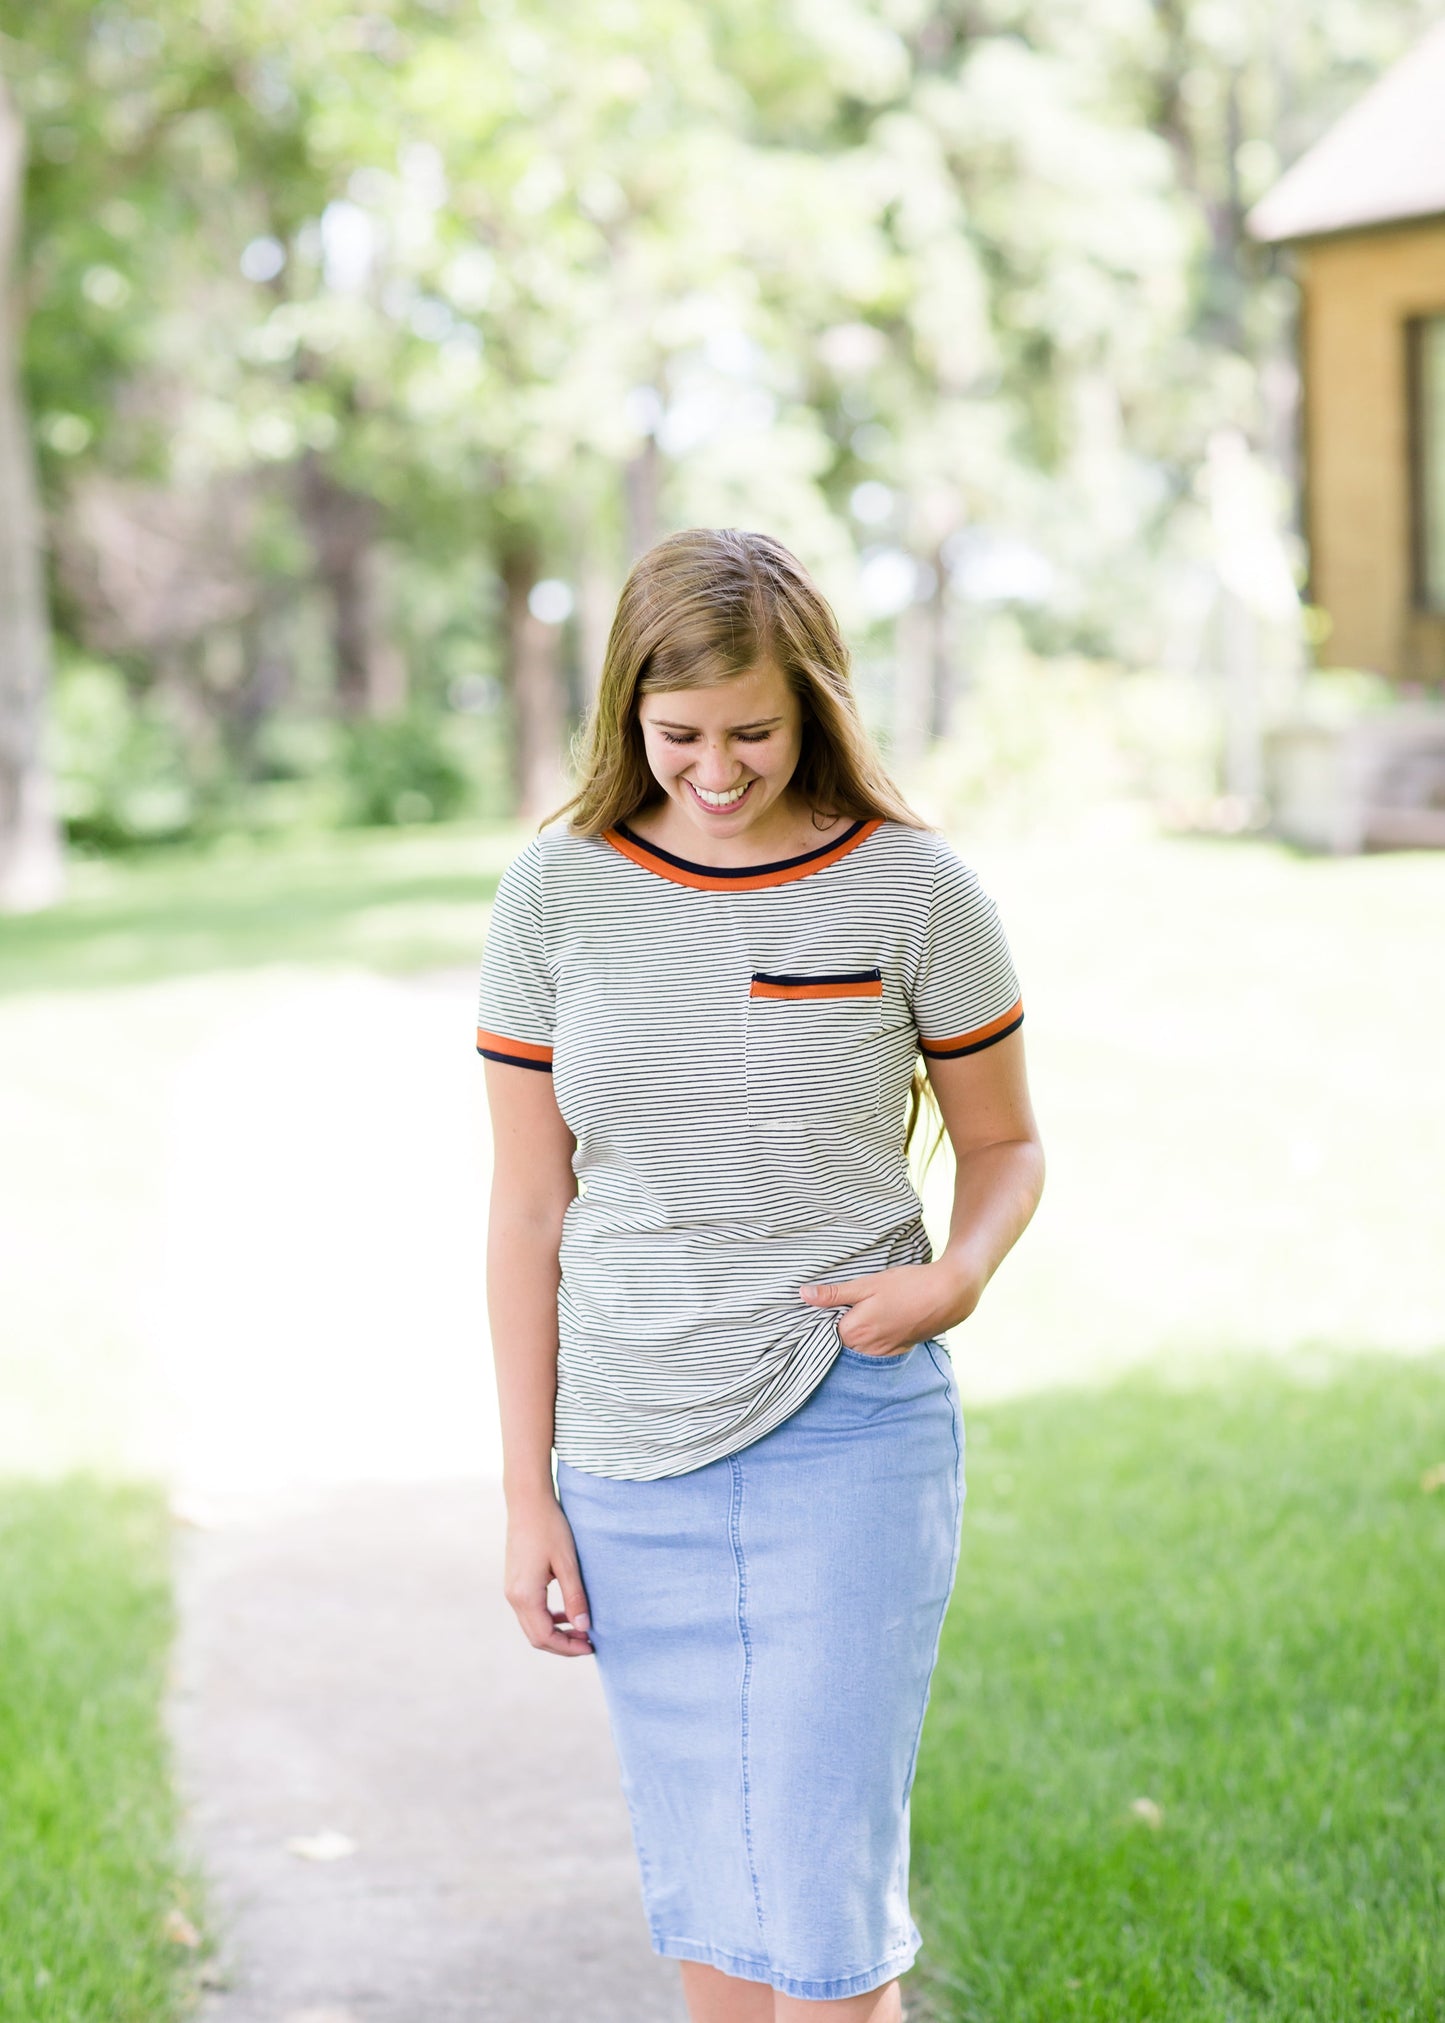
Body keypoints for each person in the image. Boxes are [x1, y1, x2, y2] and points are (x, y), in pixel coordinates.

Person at [476, 527, 1044, 2022]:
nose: (715, 770)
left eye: (752, 732)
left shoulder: (913, 890)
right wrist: (529, 1491)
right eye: (677, 737)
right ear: (624, 717)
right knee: (717, 1888)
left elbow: (1006, 1146)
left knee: (822, 1897)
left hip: (843, 1423)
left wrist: (956, 1278)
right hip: (623, 1449)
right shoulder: (555, 895)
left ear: (815, 709)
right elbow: (528, 1208)